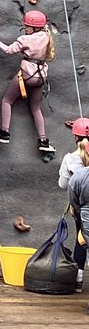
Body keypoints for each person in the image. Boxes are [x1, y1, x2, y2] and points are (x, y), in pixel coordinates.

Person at [0, 9, 56, 158]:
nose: (25, 28)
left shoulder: (25, 39)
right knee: (36, 109)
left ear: (34, 27)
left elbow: (8, 50)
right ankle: (43, 140)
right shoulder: (47, 35)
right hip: (41, 76)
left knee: (7, 101)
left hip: (27, 75)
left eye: (27, 26)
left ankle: (4, 133)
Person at [59, 118, 89, 289]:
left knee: (81, 239)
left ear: (74, 137)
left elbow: (63, 184)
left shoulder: (70, 159)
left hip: (80, 208)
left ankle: (78, 281)